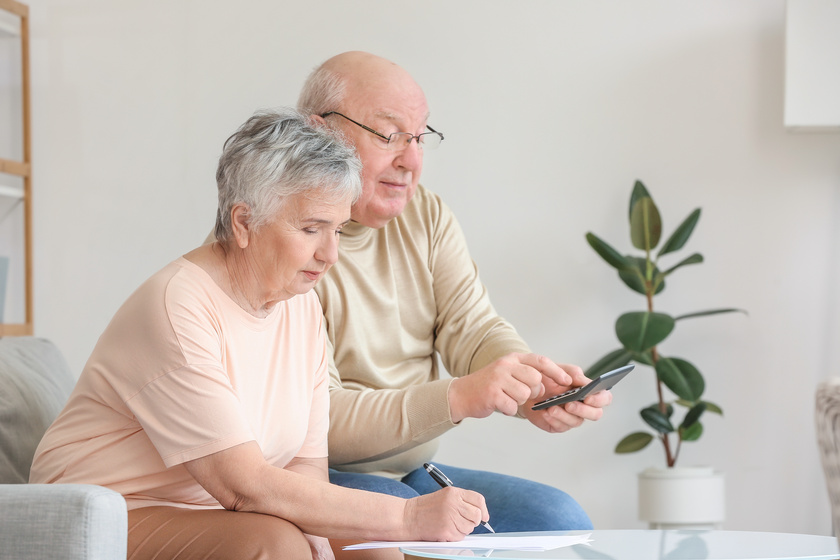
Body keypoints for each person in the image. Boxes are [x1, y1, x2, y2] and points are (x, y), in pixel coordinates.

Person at [29, 108, 489, 560]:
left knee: (375, 550)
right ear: (244, 222)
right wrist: (409, 518)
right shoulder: (177, 305)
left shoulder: (301, 303)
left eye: (338, 230)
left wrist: (332, 537)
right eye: (312, 229)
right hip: (109, 510)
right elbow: (242, 485)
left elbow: (305, 465)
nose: (330, 254)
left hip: (215, 509)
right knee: (277, 545)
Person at [299, 51, 612, 533]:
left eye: (420, 137)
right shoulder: (287, 241)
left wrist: (531, 385)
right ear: (320, 133)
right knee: (416, 521)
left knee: (560, 521)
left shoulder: (426, 214)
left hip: (410, 470)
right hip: (321, 474)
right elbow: (321, 423)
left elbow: (472, 326)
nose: (411, 160)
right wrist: (460, 397)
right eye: (388, 135)